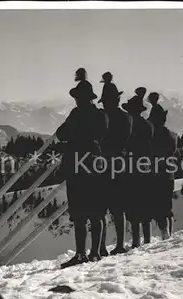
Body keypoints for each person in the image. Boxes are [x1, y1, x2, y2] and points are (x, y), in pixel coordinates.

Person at [57, 74, 106, 268]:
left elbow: (61, 134)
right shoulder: (100, 115)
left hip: (76, 164)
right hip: (95, 163)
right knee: (96, 210)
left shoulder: (75, 114)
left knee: (78, 212)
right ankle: (95, 253)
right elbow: (103, 134)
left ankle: (80, 254)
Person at [97, 89, 133, 256]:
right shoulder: (126, 118)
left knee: (101, 207)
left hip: (103, 164)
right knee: (119, 208)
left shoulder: (102, 118)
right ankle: (119, 244)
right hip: (119, 164)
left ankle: (102, 246)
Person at [122, 92, 154, 249]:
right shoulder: (148, 126)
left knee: (133, 204)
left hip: (130, 167)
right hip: (146, 166)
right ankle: (147, 238)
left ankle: (135, 240)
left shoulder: (127, 125)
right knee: (145, 202)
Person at [147, 92, 177, 240]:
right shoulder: (172, 136)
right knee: (167, 205)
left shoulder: (152, 136)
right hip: (169, 174)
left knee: (158, 206)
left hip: (155, 174)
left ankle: (164, 233)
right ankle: (169, 234)